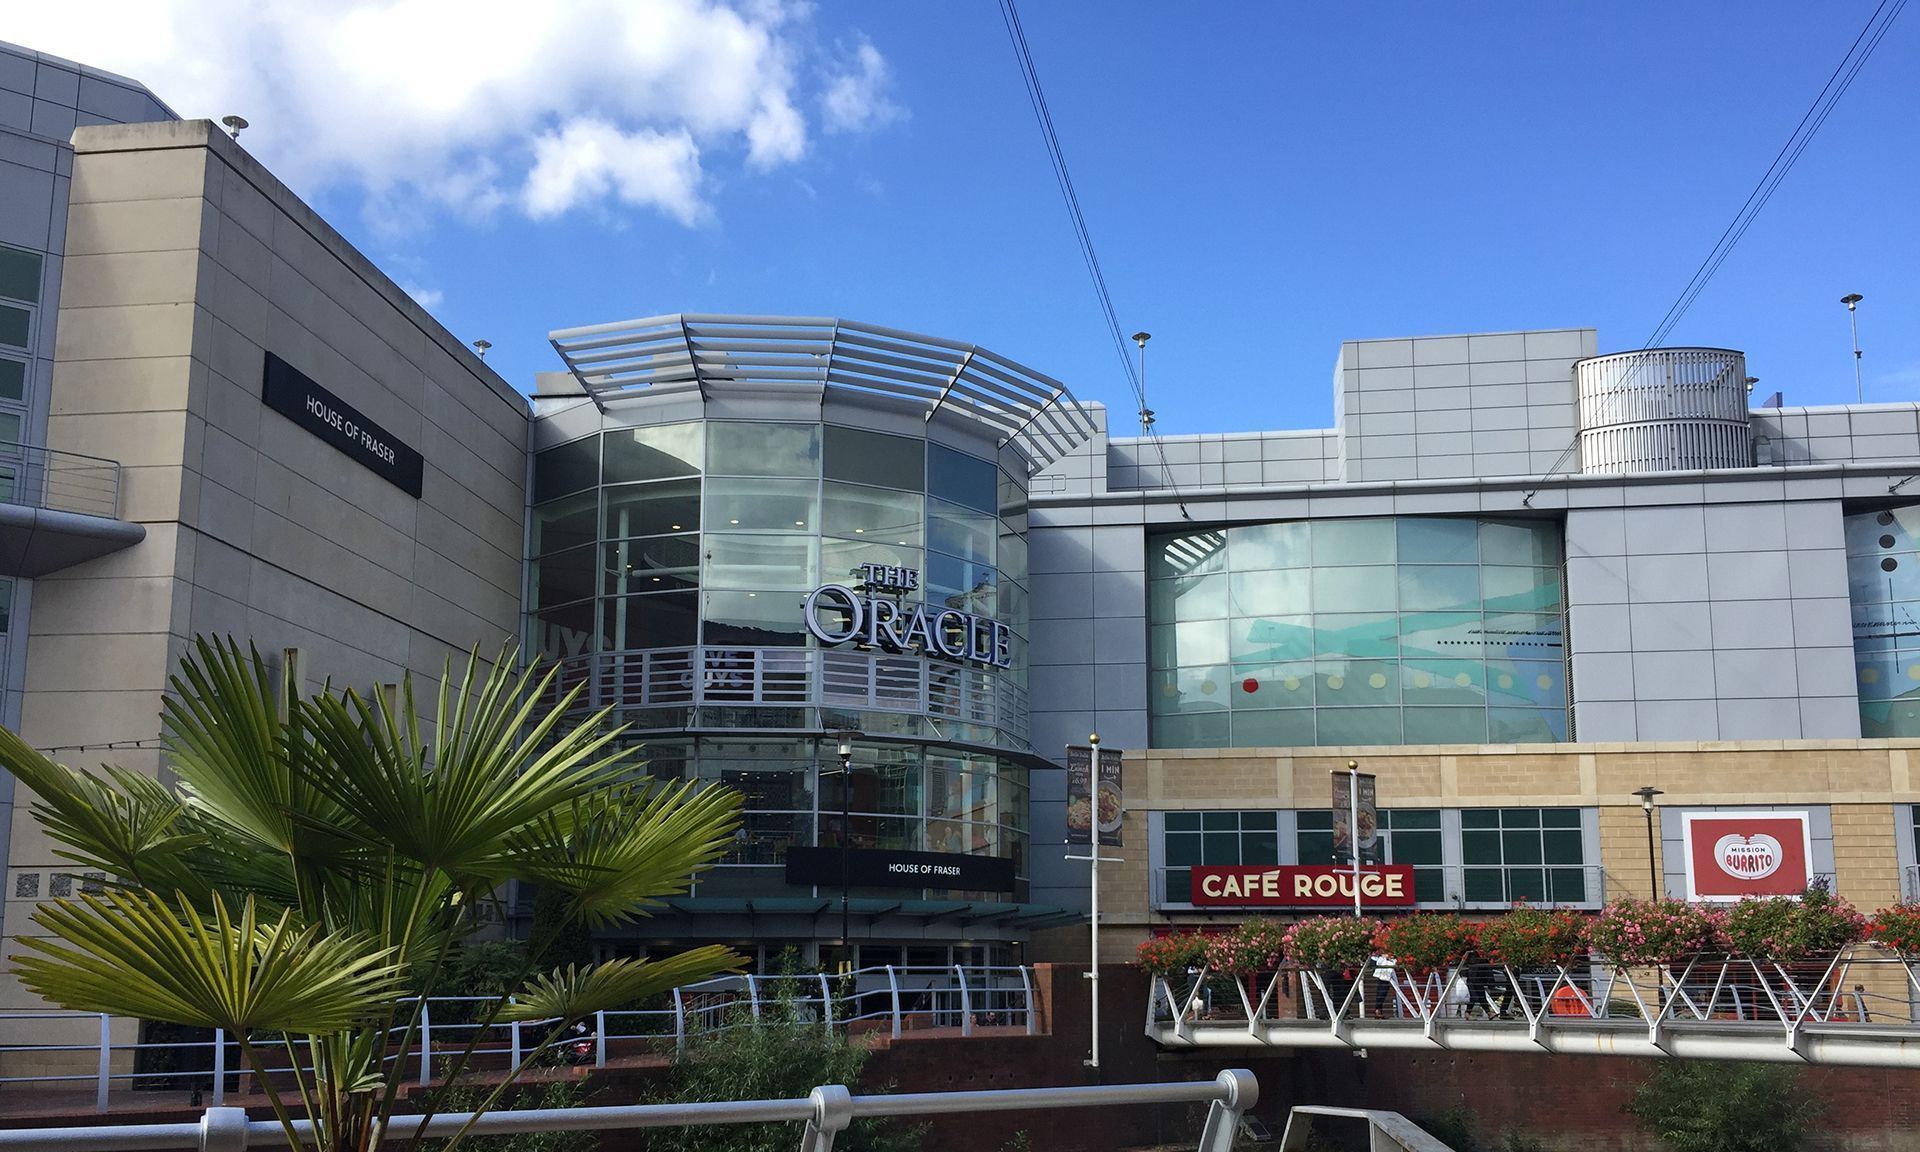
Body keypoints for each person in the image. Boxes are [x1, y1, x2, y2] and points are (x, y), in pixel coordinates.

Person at [1369, 950, 1397, 1018]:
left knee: (1382, 992)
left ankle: (1379, 1010)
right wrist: (1384, 956)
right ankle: (1378, 1010)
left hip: (1386, 974)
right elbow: (1377, 962)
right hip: (1383, 974)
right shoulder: (1381, 956)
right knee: (1381, 992)